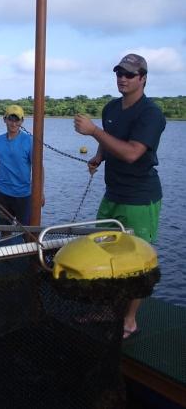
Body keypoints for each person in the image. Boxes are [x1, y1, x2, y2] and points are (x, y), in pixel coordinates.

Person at [73, 53, 165, 340]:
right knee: (104, 252)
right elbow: (111, 143)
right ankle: (105, 309)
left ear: (143, 78)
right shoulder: (111, 107)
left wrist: (93, 132)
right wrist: (98, 157)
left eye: (129, 74)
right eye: (119, 73)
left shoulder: (151, 114)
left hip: (140, 198)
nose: (123, 78)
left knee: (138, 260)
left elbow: (131, 153)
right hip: (113, 193)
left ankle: (129, 320)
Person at [0, 105, 41, 230]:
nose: (13, 123)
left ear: (22, 121)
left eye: (17, 120)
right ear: (4, 120)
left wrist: (40, 192)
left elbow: (39, 168)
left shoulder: (29, 141)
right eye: (10, 119)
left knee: (26, 231)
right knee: (4, 230)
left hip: (23, 195)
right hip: (3, 193)